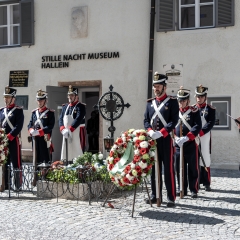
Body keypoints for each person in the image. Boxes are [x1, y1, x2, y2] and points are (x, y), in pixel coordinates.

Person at [144, 72, 179, 207]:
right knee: (154, 169)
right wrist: (150, 131)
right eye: (154, 86)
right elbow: (146, 120)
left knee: (168, 169)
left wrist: (162, 132)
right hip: (153, 140)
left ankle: (171, 197)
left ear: (165, 87)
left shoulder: (172, 102)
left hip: (165, 140)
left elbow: (173, 121)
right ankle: (155, 195)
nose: (156, 89)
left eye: (158, 86)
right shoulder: (149, 103)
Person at [175, 87, 202, 198]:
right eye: (180, 100)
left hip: (190, 143)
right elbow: (171, 126)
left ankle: (193, 189)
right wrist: (175, 138)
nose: (181, 103)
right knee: (178, 167)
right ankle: (181, 188)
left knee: (192, 167)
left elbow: (197, 126)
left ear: (188, 101)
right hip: (178, 144)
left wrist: (187, 137)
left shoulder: (194, 111)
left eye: (183, 100)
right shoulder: (175, 112)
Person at [0, 86, 24, 190]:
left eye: (8, 97)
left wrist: (9, 136)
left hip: (13, 140)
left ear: (13, 98)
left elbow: (18, 126)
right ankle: (6, 184)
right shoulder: (1, 111)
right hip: (3, 142)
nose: (6, 99)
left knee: (16, 162)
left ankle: (17, 185)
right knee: (4, 161)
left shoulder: (18, 111)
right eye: (5, 97)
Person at [194, 85, 216, 191]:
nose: (199, 98)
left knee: (205, 159)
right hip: (194, 136)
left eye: (201, 96)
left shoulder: (210, 109)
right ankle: (196, 181)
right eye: (198, 96)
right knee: (195, 159)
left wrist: (201, 132)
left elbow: (211, 123)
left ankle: (207, 182)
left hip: (204, 136)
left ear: (205, 97)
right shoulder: (193, 109)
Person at [28, 89, 55, 164]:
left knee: (46, 159)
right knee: (36, 159)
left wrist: (39, 132)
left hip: (45, 139)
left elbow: (50, 126)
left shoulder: (50, 113)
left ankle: (46, 175)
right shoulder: (34, 113)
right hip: (35, 139)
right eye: (38, 100)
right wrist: (31, 131)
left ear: (46, 101)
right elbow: (30, 124)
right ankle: (36, 175)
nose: (39, 102)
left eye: (41, 100)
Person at [59, 85, 86, 161]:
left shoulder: (81, 107)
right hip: (66, 132)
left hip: (77, 131)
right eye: (69, 95)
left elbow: (79, 118)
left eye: (72, 95)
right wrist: (62, 129)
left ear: (76, 96)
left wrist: (70, 129)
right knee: (66, 151)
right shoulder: (65, 107)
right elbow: (60, 118)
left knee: (78, 150)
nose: (70, 97)